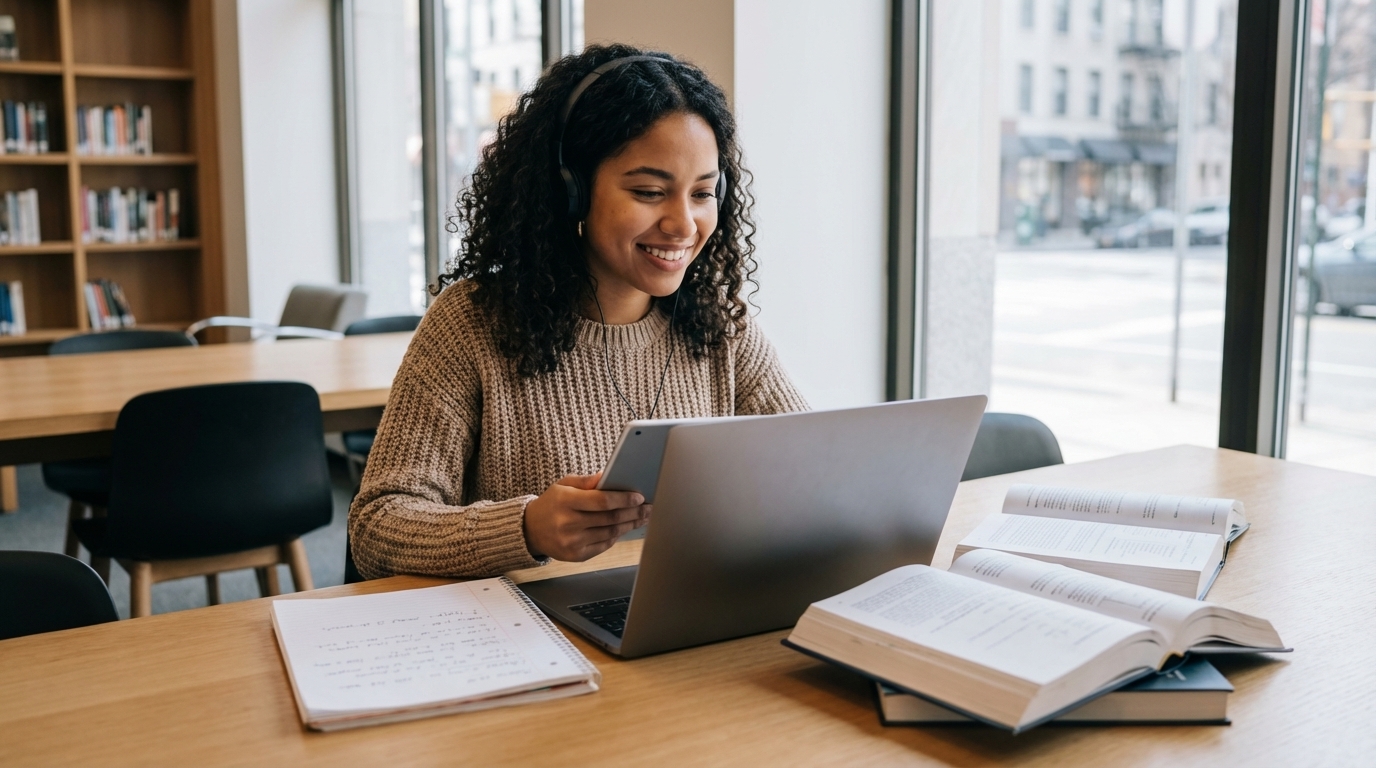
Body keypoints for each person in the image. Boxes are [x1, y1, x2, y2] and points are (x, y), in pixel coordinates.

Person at [349, 44, 808, 580]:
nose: (684, 225)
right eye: (649, 191)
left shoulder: (719, 325)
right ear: (570, 191)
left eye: (702, 193)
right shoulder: (473, 324)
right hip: (527, 639)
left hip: (680, 617)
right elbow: (376, 528)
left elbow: (812, 472)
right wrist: (526, 528)